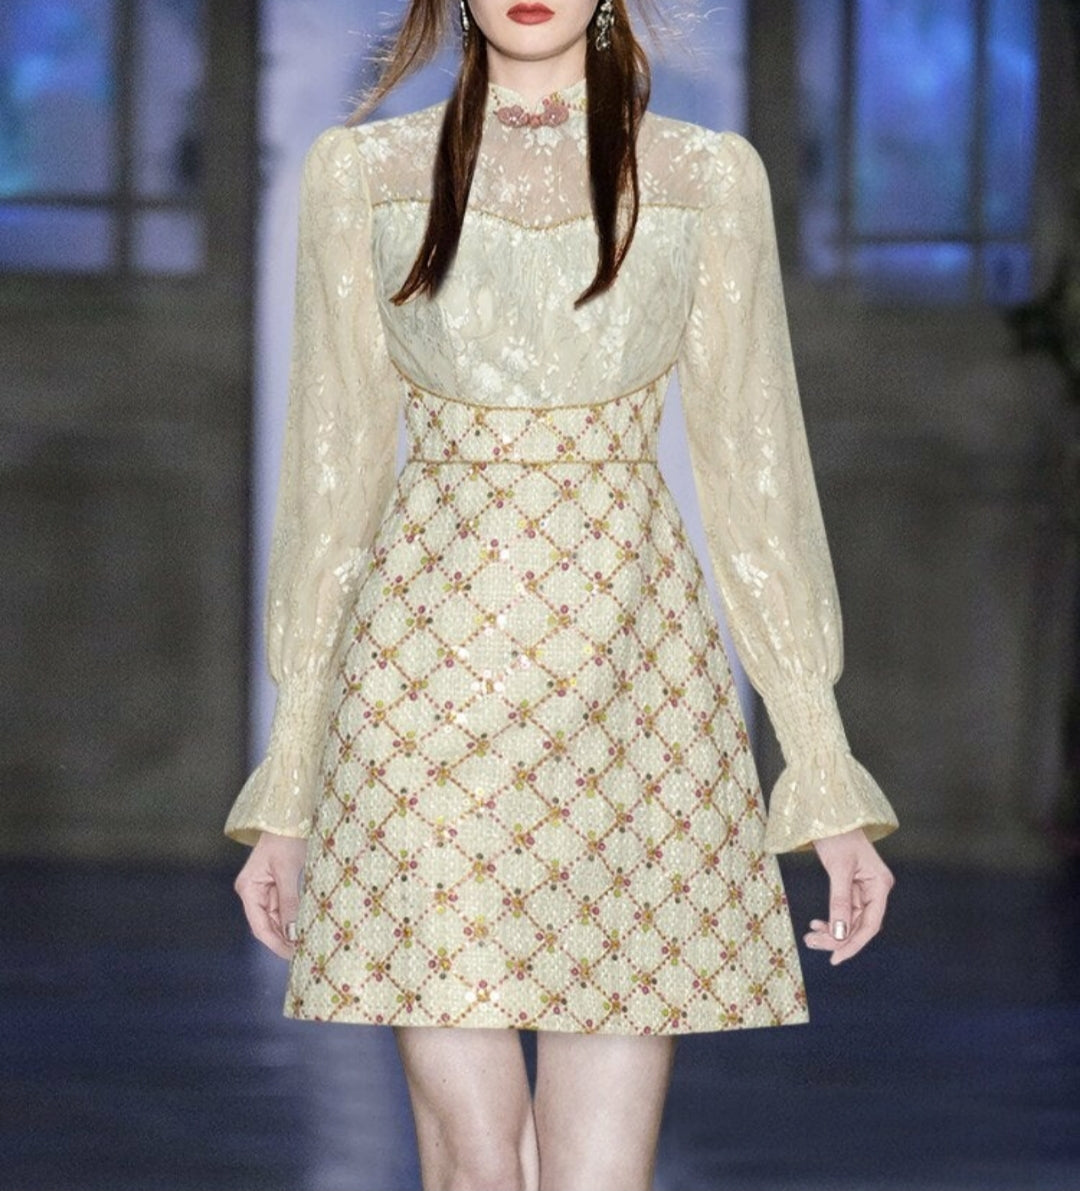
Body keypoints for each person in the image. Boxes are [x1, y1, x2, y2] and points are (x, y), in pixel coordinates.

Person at [226, 2, 899, 1188]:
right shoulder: (364, 175)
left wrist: (824, 775)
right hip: (419, 701)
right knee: (477, 1165)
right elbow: (331, 484)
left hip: (637, 699)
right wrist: (289, 791)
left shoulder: (705, 179)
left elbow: (758, 481)